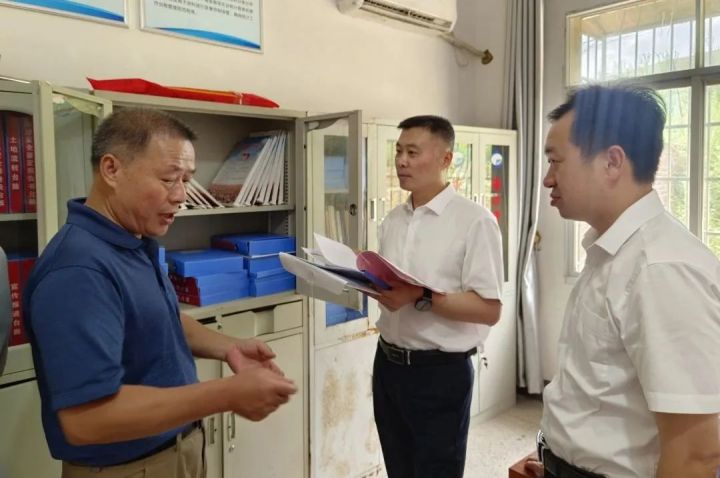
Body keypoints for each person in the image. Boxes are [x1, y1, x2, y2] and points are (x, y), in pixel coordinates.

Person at [23, 108, 297, 478]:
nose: (181, 195)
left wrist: (229, 347)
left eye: (187, 180)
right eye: (169, 179)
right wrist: (227, 394)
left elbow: (159, 316)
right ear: (112, 170)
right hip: (128, 468)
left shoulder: (132, 239)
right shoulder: (78, 271)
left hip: (177, 449)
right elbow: (86, 420)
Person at [525, 85, 720, 478]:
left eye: (556, 162)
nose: (547, 180)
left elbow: (696, 453)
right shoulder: (612, 250)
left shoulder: (660, 269)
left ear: (612, 162)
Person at [371, 115, 504, 477]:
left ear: (446, 159)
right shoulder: (393, 220)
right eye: (399, 152)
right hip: (387, 365)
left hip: (439, 373)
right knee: (399, 467)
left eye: (413, 153)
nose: (401, 162)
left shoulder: (475, 221)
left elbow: (489, 309)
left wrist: (421, 295)